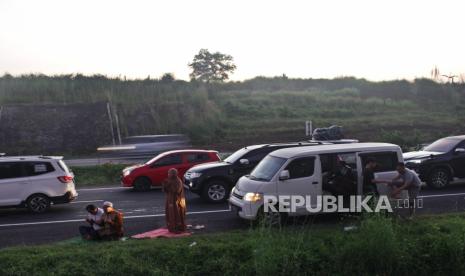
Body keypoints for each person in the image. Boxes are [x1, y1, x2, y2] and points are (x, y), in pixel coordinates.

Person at [162, 168, 187, 233]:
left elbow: (176, 191)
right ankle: (172, 227)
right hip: (171, 200)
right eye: (168, 173)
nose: (168, 174)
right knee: (171, 214)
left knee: (177, 214)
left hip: (177, 201)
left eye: (169, 173)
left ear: (174, 174)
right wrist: (165, 186)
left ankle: (178, 228)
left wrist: (168, 185)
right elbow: (166, 191)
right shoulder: (170, 180)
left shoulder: (178, 181)